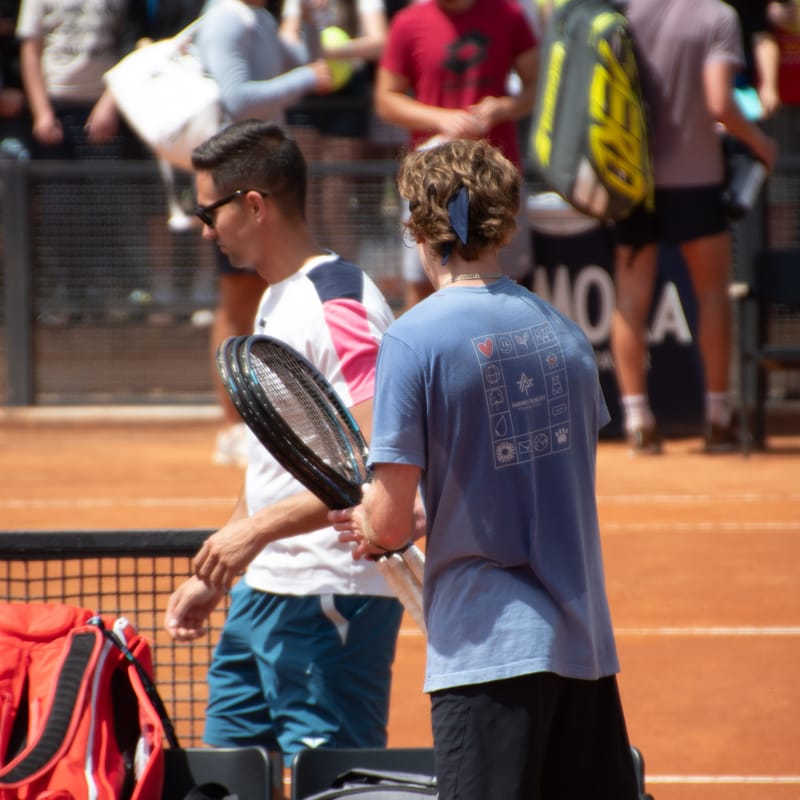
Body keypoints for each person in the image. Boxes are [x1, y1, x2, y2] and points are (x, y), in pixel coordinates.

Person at [329, 138, 641, 800]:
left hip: (485, 655)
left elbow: (385, 520)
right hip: (582, 654)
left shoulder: (413, 340)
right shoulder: (564, 334)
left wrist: (375, 520)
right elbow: (539, 474)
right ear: (505, 220)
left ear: (420, 224)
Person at [164, 120, 404, 762]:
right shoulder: (277, 299)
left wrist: (256, 534)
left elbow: (376, 467)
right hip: (264, 592)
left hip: (330, 595)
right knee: (228, 772)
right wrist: (226, 561)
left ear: (253, 206)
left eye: (207, 211)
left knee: (333, 780)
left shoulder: (340, 305)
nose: (204, 229)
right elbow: (285, 462)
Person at [611, 0, 779, 454]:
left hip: (632, 177)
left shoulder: (623, 10)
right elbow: (720, 102)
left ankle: (637, 422)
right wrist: (760, 141)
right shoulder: (717, 15)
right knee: (710, 293)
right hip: (697, 178)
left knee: (630, 298)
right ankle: (718, 419)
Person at [193, 0, 334, 467]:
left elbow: (302, 60)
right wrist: (309, 78)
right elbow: (237, 98)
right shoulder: (226, 18)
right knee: (237, 296)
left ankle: (256, 419)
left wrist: (311, 22)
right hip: (229, 187)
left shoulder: (264, 19)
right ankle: (232, 424)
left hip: (261, 182)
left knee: (260, 290)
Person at [374, 0, 539, 311]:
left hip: (496, 179)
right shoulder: (408, 22)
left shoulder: (509, 13)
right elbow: (385, 99)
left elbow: (536, 84)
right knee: (423, 287)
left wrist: (505, 107)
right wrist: (439, 118)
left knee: (510, 282)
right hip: (431, 183)